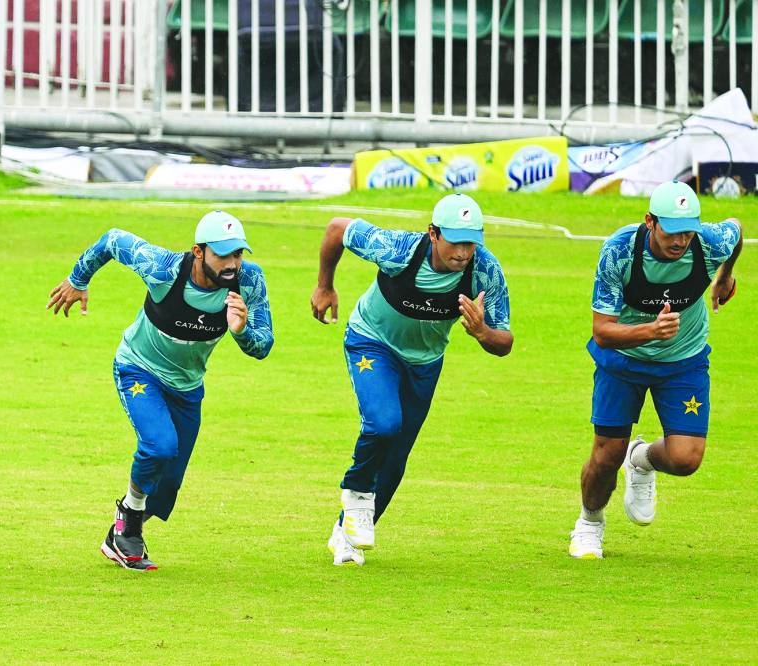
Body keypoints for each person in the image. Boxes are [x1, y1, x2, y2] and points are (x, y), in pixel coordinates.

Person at [46, 210, 274, 571]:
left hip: (187, 387)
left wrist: (242, 331)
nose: (232, 263)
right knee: (159, 445)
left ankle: (120, 530)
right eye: (223, 254)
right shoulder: (164, 269)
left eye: (238, 254)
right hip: (139, 369)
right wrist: (78, 279)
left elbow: (263, 346)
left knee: (167, 486)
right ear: (199, 252)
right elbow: (112, 238)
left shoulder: (249, 282)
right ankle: (129, 526)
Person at [310, 193, 513, 566]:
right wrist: (325, 285)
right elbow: (337, 228)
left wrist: (483, 332)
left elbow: (505, 342)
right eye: (456, 241)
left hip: (424, 363)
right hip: (372, 343)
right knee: (384, 423)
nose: (464, 253)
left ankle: (347, 536)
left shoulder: (485, 271)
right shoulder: (397, 249)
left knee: (396, 457)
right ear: (433, 234)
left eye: (471, 243)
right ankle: (355, 493)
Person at [569, 180, 742, 559]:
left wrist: (725, 277)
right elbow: (602, 332)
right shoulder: (619, 251)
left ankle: (642, 458)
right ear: (650, 221)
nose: (681, 241)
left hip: (684, 360)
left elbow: (737, 228)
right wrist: (651, 330)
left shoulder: (709, 242)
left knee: (686, 459)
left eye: (688, 232)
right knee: (605, 457)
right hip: (623, 361)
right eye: (672, 231)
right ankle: (589, 523)